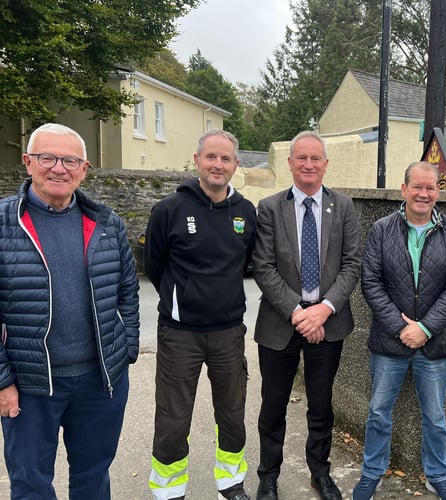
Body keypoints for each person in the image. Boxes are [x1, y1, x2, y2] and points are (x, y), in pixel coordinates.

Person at [0, 123, 140, 499]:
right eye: (47, 158)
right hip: (29, 386)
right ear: (28, 163)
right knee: (30, 482)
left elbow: (128, 289)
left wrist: (126, 347)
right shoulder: (3, 224)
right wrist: (2, 380)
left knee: (93, 477)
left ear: (84, 168)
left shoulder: (107, 223)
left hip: (99, 382)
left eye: (69, 160)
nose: (58, 168)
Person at [144, 130, 257, 500]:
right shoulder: (169, 210)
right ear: (197, 161)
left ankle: (231, 482)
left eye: (226, 159)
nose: (218, 165)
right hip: (180, 334)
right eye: (211, 157)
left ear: (236, 165)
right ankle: (168, 490)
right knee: (174, 417)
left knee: (232, 413)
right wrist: (184, 299)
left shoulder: (245, 212)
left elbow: (247, 264)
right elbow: (155, 266)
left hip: (228, 331)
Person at [353, 161, 446, 500]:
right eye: (417, 187)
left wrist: (426, 328)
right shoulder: (381, 229)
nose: (423, 193)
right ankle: (371, 473)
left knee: (435, 417)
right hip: (389, 342)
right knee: (378, 412)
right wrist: (400, 327)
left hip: (435, 343)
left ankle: (437, 475)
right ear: (403, 189)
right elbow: (371, 282)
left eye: (430, 188)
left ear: (438, 192)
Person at [252, 131, 361, 500]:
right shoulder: (268, 207)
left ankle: (320, 473)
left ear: (326, 164)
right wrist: (300, 313)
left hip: (328, 323)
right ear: (290, 163)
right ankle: (268, 475)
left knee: (321, 404)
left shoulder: (344, 207)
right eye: (301, 158)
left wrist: (323, 310)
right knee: (273, 405)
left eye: (316, 158)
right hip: (280, 323)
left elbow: (352, 265)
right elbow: (263, 267)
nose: (309, 165)